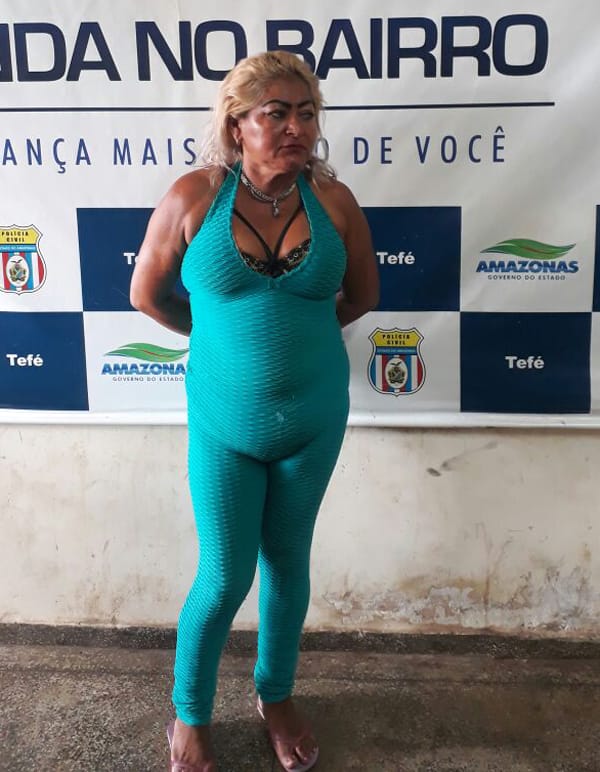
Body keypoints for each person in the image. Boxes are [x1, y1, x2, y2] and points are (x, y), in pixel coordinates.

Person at [130, 50, 379, 772]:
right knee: (223, 579)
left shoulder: (334, 202)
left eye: (307, 113)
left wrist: (297, 338)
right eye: (277, 113)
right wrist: (214, 338)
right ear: (238, 124)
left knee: (288, 563)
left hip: (313, 421)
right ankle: (189, 715)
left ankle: (276, 696)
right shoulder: (194, 198)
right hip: (224, 426)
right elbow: (146, 295)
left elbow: (362, 297)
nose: (296, 126)